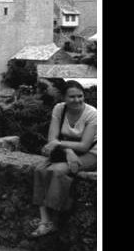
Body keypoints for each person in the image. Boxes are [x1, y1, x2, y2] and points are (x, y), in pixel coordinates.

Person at [31, 80, 98, 237]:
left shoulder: (92, 114)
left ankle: (54, 218)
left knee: (56, 170)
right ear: (64, 97)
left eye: (80, 96)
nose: (77, 100)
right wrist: (68, 151)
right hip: (66, 151)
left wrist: (60, 144)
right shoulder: (59, 109)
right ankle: (44, 220)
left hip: (92, 153)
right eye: (72, 97)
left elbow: (84, 145)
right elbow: (51, 138)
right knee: (39, 169)